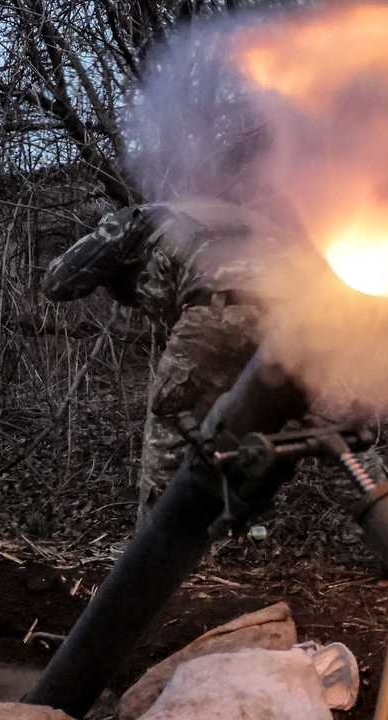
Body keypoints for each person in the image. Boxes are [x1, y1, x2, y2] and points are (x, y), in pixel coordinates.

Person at [41, 200, 281, 526]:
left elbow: (57, 282)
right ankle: (374, 506)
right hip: (300, 310)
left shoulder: (139, 219)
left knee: (172, 419)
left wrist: (106, 247)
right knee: (331, 424)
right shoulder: (231, 213)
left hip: (221, 308)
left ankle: (153, 557)